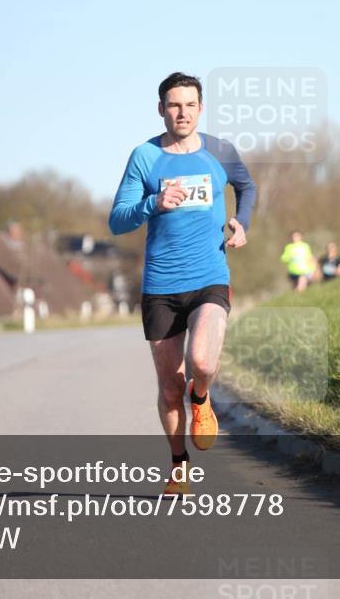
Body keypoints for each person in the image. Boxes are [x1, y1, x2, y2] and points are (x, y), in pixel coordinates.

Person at [109, 72, 256, 496]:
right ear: (161, 109)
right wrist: (153, 203)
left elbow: (247, 186)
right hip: (161, 286)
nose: (182, 113)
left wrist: (241, 223)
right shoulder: (145, 156)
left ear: (201, 108)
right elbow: (118, 220)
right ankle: (179, 465)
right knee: (170, 386)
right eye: (174, 105)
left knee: (202, 363)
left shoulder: (220, 151)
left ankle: (202, 397)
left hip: (210, 276)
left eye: (190, 105)